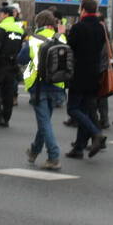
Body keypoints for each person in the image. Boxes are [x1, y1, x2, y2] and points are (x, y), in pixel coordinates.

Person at [20, 11, 67, 169]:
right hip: (57, 85)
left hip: (38, 86)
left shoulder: (33, 39)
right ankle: (34, 151)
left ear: (39, 23)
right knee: (44, 121)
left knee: (44, 122)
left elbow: (21, 58)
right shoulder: (61, 38)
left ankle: (54, 157)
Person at [64, 0, 107, 156]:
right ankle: (79, 148)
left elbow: (70, 48)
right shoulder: (101, 28)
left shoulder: (78, 27)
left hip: (79, 73)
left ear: (82, 9)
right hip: (95, 74)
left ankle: (96, 133)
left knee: (73, 109)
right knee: (85, 110)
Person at [0, 5, 25, 128]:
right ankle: (6, 119)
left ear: (6, 15)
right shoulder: (20, 30)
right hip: (12, 64)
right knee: (8, 92)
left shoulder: (1, 28)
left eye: (0, 14)